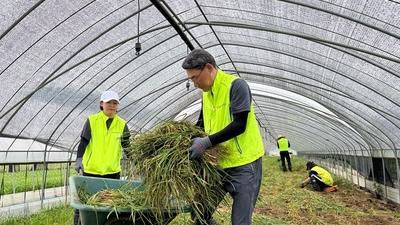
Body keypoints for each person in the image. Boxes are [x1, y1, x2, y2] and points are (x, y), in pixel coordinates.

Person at [182, 49, 264, 225]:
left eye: (195, 77)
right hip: (219, 164)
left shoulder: (236, 86)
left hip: (244, 166)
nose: (194, 84)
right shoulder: (206, 94)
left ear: (209, 68)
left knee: (240, 222)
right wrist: (183, 140)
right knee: (199, 214)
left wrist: (206, 142)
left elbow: (239, 124)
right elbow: (202, 124)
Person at [73, 90, 130, 225]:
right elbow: (83, 142)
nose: (112, 105)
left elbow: (127, 146)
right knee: (86, 203)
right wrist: (79, 159)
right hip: (92, 171)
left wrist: (137, 161)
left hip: (112, 172)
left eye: (115, 103)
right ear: (101, 104)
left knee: (110, 203)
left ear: (118, 106)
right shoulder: (92, 120)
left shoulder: (122, 124)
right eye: (109, 102)